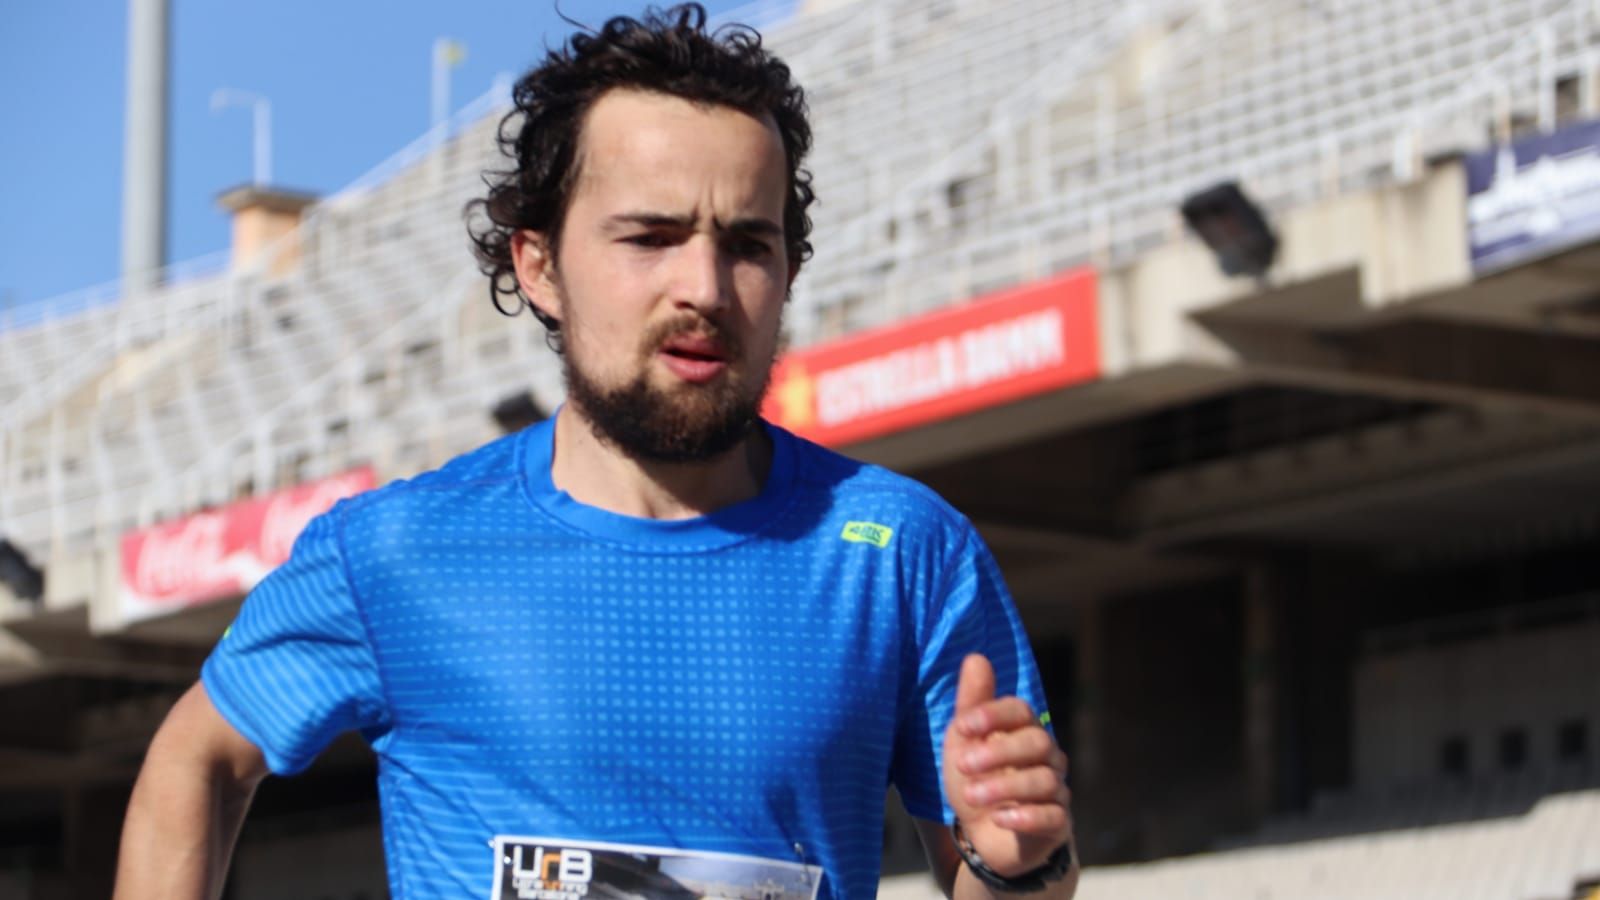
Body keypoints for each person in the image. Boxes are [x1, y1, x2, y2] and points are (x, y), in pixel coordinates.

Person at [114, 6, 1077, 899]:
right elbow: (194, 762)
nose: (704, 284)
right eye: (650, 237)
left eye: (749, 244)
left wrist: (1023, 868)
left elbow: (1005, 876)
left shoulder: (905, 552)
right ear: (538, 266)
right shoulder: (396, 552)